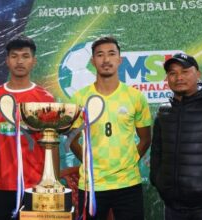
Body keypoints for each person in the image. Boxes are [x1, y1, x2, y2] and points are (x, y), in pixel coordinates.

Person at [70, 36, 152, 220]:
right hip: (92, 185)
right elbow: (71, 140)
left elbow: (146, 139)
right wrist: (88, 162)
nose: (106, 60)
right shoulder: (79, 98)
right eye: (100, 55)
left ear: (119, 59)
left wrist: (129, 161)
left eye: (111, 54)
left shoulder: (135, 97)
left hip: (128, 183)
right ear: (92, 61)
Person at [0, 35, 55, 220]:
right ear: (7, 61)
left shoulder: (46, 99)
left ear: (34, 61)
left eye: (25, 56)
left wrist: (51, 184)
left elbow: (51, 145)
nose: (20, 61)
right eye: (14, 56)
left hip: (37, 185)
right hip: (0, 186)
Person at [150, 53, 202, 220]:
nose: (178, 77)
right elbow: (157, 150)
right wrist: (157, 179)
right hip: (173, 206)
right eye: (172, 73)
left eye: (185, 71)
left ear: (198, 74)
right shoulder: (164, 110)